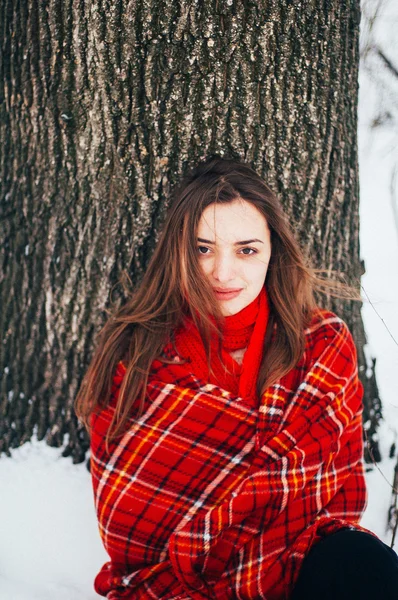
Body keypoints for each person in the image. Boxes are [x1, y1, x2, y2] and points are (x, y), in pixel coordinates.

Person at [75, 156, 398, 599]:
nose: (222, 273)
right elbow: (129, 525)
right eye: (203, 248)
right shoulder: (137, 355)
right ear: (179, 250)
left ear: (272, 252)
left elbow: (333, 500)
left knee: (366, 566)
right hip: (175, 583)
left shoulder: (320, 346)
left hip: (294, 560)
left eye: (246, 250)